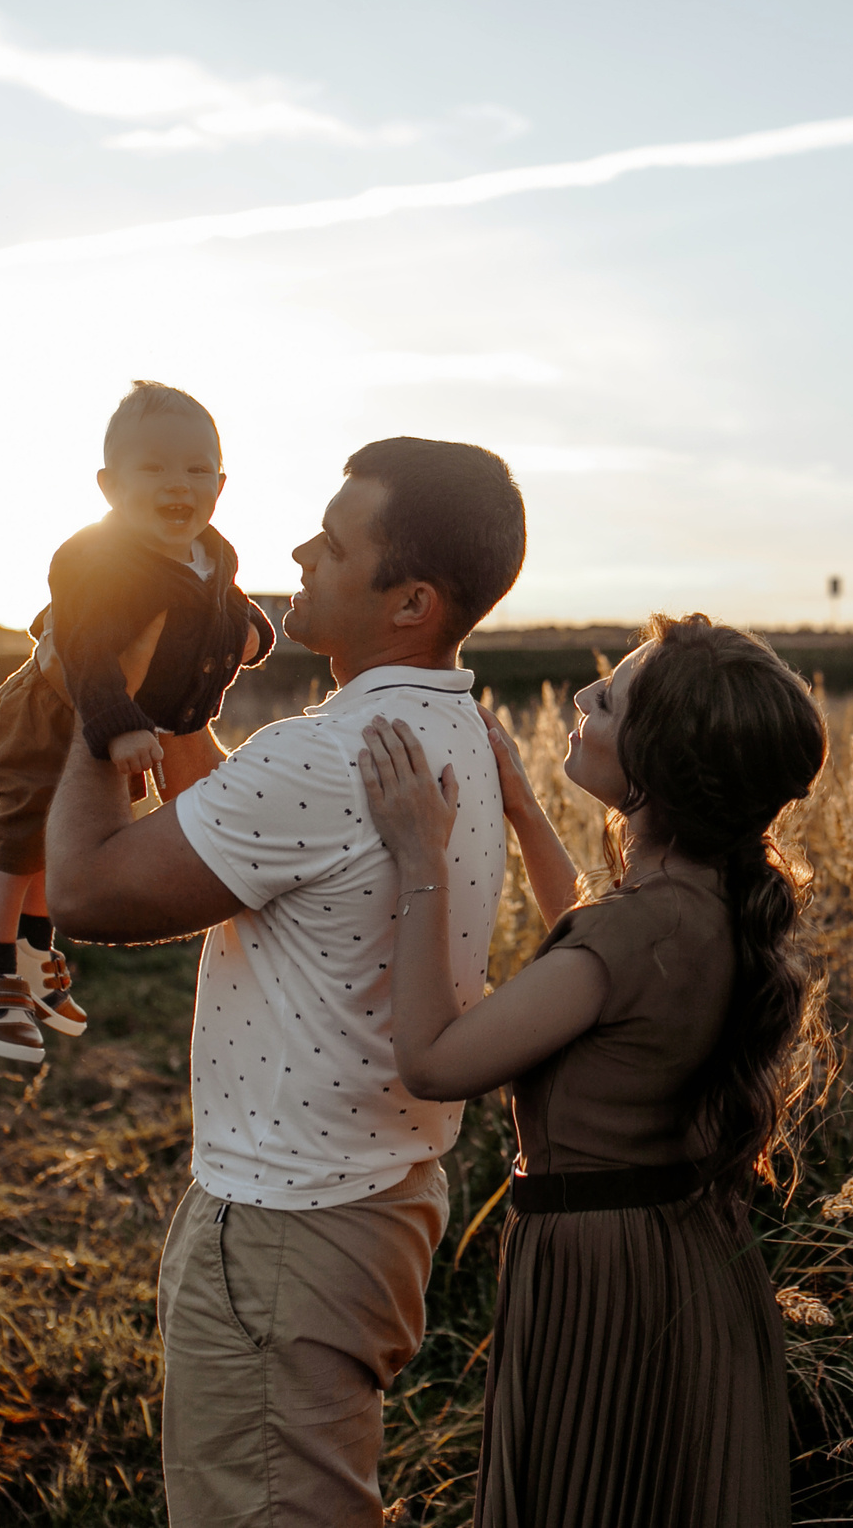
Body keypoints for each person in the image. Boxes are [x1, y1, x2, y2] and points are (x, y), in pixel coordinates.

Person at [45, 437, 526, 1527]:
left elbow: (85, 886)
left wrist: (102, 682)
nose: (301, 548)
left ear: (408, 601)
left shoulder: (324, 756)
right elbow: (240, 847)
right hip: (377, 1205)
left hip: (282, 1232)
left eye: (335, 540)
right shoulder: (451, 726)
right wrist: (177, 712)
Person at [354, 613, 825, 1528]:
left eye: (606, 698)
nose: (580, 696)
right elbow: (600, 958)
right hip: (688, 1263)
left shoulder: (625, 936)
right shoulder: (712, 901)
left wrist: (420, 858)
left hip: (601, 1282)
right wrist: (527, 811)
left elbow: (434, 1060)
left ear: (657, 763)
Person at [0, 379, 275, 1064]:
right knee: (17, 846)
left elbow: (227, 602)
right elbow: (87, 652)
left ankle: (36, 955)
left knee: (60, 844)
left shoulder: (212, 551)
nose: (176, 483)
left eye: (195, 468)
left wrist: (251, 632)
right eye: (152, 468)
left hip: (130, 726)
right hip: (53, 713)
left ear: (220, 482)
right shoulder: (98, 559)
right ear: (109, 486)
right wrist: (119, 724)